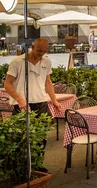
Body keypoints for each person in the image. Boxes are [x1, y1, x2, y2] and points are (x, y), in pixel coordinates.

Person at [4, 38, 58, 173]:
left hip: (41, 103)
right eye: (39, 50)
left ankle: (37, 165)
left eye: (44, 51)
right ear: (32, 46)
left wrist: (54, 100)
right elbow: (7, 84)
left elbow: (48, 82)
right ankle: (21, 167)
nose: (41, 54)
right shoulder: (17, 62)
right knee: (20, 137)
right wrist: (19, 99)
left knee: (41, 137)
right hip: (22, 105)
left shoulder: (47, 61)